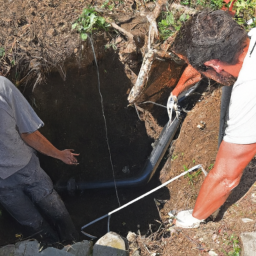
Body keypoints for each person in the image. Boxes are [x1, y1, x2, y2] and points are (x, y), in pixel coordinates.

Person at [166, 9, 256, 228]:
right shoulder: (249, 38)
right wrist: (176, 91)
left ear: (215, 64)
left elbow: (226, 176)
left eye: (202, 69)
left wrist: (195, 217)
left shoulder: (249, 90)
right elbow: (199, 70)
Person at [0, 76, 80, 242]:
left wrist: (59, 154)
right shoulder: (3, 87)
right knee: (51, 210)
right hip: (17, 175)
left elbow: (28, 133)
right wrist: (59, 154)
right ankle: (69, 244)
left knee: (34, 221)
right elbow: (28, 133)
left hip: (23, 171)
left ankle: (66, 246)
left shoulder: (3, 88)